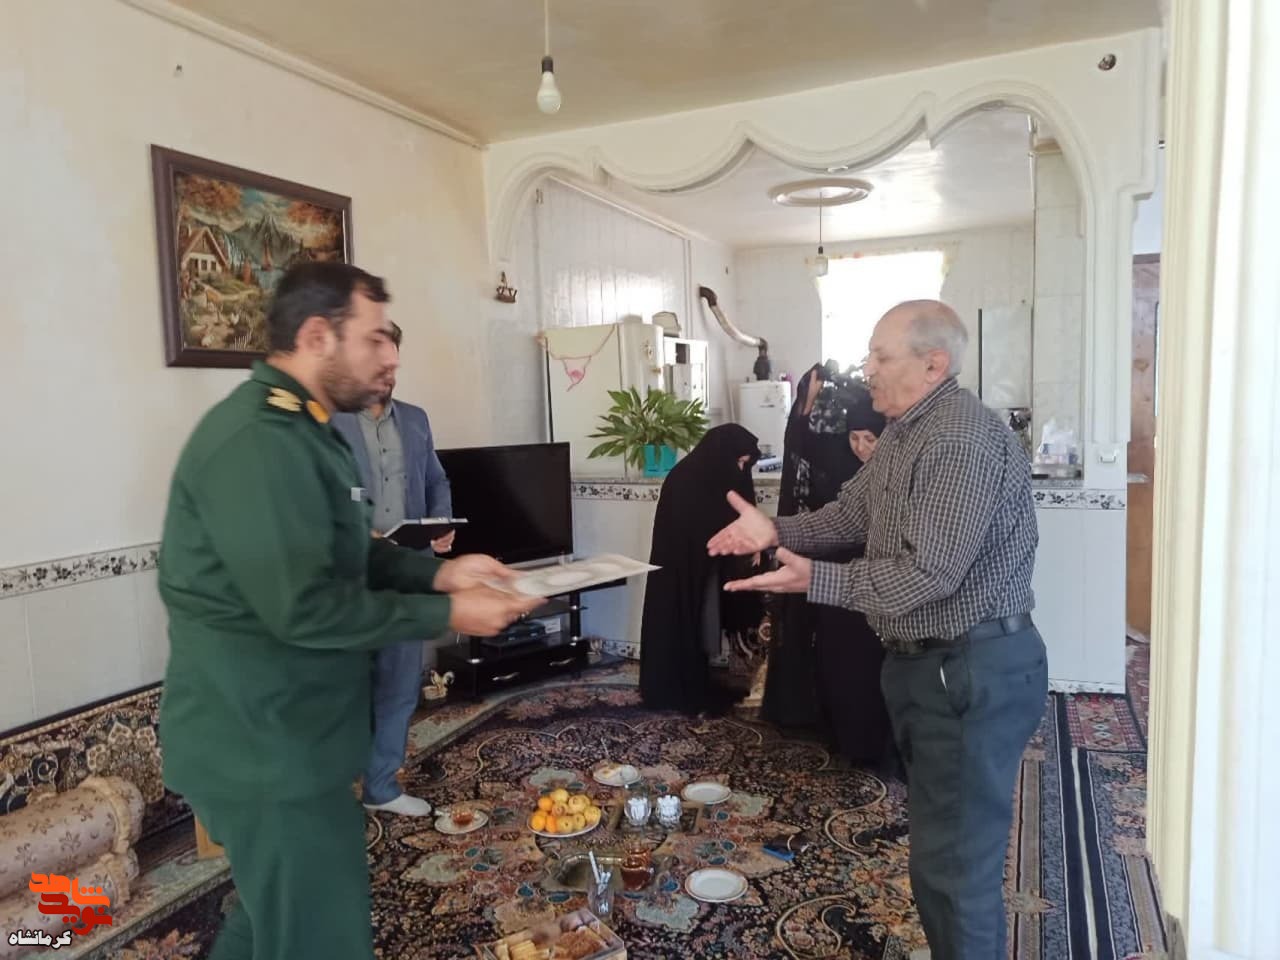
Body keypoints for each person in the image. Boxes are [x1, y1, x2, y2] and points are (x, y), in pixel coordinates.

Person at [156, 261, 542, 960]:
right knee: (320, 935)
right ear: (316, 336)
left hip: (295, 737)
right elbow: (305, 607)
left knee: (274, 921)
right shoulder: (259, 443)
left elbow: (349, 552)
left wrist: (440, 573)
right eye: (374, 339)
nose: (390, 356)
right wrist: (446, 617)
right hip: (263, 745)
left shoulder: (309, 431)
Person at [708, 300, 1046, 960]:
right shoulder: (904, 433)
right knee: (940, 857)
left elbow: (928, 573)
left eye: (881, 356)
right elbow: (848, 516)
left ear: (933, 364)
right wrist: (774, 530)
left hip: (969, 672)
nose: (866, 370)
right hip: (935, 668)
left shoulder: (956, 438)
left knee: (956, 876)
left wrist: (815, 580)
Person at [332, 322, 453, 817]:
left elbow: (437, 480)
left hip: (409, 568)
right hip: (351, 571)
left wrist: (442, 523)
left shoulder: (417, 420)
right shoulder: (328, 422)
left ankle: (381, 787)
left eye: (392, 360)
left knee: (401, 680)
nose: (386, 370)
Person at [761, 361, 893, 767]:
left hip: (880, 583)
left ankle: (877, 745)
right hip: (836, 580)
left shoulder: (901, 469)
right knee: (839, 663)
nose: (861, 448)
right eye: (854, 437)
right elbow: (801, 445)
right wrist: (805, 402)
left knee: (874, 669)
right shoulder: (841, 461)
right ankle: (843, 737)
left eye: (870, 439)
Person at [639, 424, 763, 715]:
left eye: (745, 464)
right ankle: (675, 688)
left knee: (697, 624)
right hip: (679, 569)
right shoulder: (686, 478)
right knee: (679, 621)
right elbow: (698, 526)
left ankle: (694, 680)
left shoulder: (711, 474)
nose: (741, 470)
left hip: (700, 568)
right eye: (739, 462)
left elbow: (733, 513)